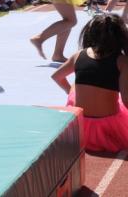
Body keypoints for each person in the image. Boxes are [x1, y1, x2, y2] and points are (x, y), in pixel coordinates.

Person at [51, 13, 128, 153]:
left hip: (79, 127)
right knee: (120, 103)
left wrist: (70, 92)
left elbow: (56, 77)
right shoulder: (122, 61)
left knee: (74, 90)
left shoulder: (79, 55)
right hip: (108, 129)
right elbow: (126, 100)